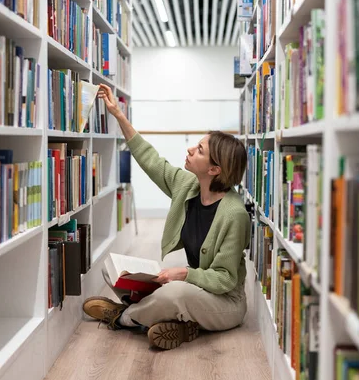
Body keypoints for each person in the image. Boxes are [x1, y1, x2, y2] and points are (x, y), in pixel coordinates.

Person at [83, 84, 251, 351]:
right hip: (196, 292)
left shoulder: (235, 214)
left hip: (225, 304)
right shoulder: (188, 185)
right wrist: (119, 115)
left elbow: (225, 280)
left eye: (199, 150)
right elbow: (152, 161)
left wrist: (184, 273)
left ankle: (124, 317)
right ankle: (178, 323)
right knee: (112, 266)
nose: (190, 150)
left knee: (174, 292)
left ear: (215, 169)